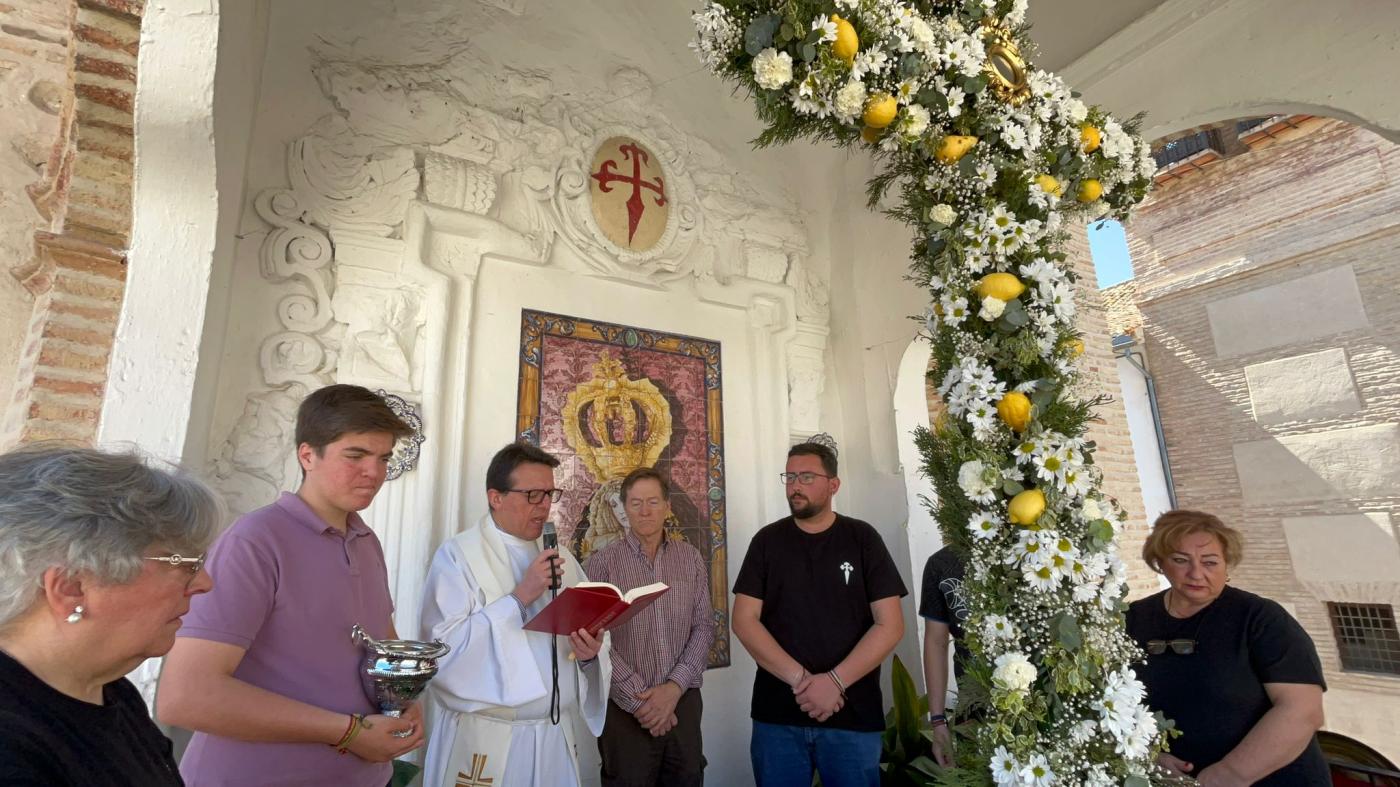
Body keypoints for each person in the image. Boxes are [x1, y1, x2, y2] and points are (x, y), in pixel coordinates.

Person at [158, 384, 424, 786]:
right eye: (356, 455)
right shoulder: (256, 540)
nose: (375, 472)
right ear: (307, 455)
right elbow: (186, 697)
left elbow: (381, 650)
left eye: (383, 457)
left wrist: (402, 701)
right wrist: (348, 732)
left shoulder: (367, 542)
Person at [0, 444, 220, 785]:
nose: (204, 583)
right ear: (72, 587)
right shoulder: (11, 751)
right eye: (183, 564)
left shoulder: (108, 691)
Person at [419, 442, 610, 787]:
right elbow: (441, 654)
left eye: (550, 493)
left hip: (554, 735)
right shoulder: (458, 556)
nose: (545, 506)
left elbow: (582, 636)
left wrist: (587, 654)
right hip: (488, 739)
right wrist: (520, 598)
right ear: (496, 497)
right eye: (533, 495)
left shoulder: (560, 556)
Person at [732, 442, 907, 787]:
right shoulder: (766, 542)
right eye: (790, 476)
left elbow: (890, 624)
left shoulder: (862, 539)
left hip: (853, 717)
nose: (795, 485)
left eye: (807, 476)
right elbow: (744, 620)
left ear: (833, 485)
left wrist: (835, 682)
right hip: (777, 717)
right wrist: (803, 681)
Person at [1126, 510, 1329, 787]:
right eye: (1180, 560)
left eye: (1210, 562)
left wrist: (1228, 775)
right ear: (1160, 563)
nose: (1196, 573)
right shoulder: (1133, 619)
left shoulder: (1260, 618)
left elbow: (1303, 711)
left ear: (1226, 564)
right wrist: (1149, 756)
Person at [585, 467, 715, 787]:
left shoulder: (691, 559)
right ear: (624, 508)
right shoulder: (602, 563)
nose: (645, 511)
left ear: (667, 507)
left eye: (653, 502)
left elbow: (704, 627)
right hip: (625, 713)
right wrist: (641, 701)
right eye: (636, 503)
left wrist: (673, 689)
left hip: (682, 705)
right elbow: (595, 641)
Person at [919, 544, 970, 767]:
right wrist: (938, 721)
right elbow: (936, 642)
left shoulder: (1035, 550)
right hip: (974, 709)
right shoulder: (942, 564)